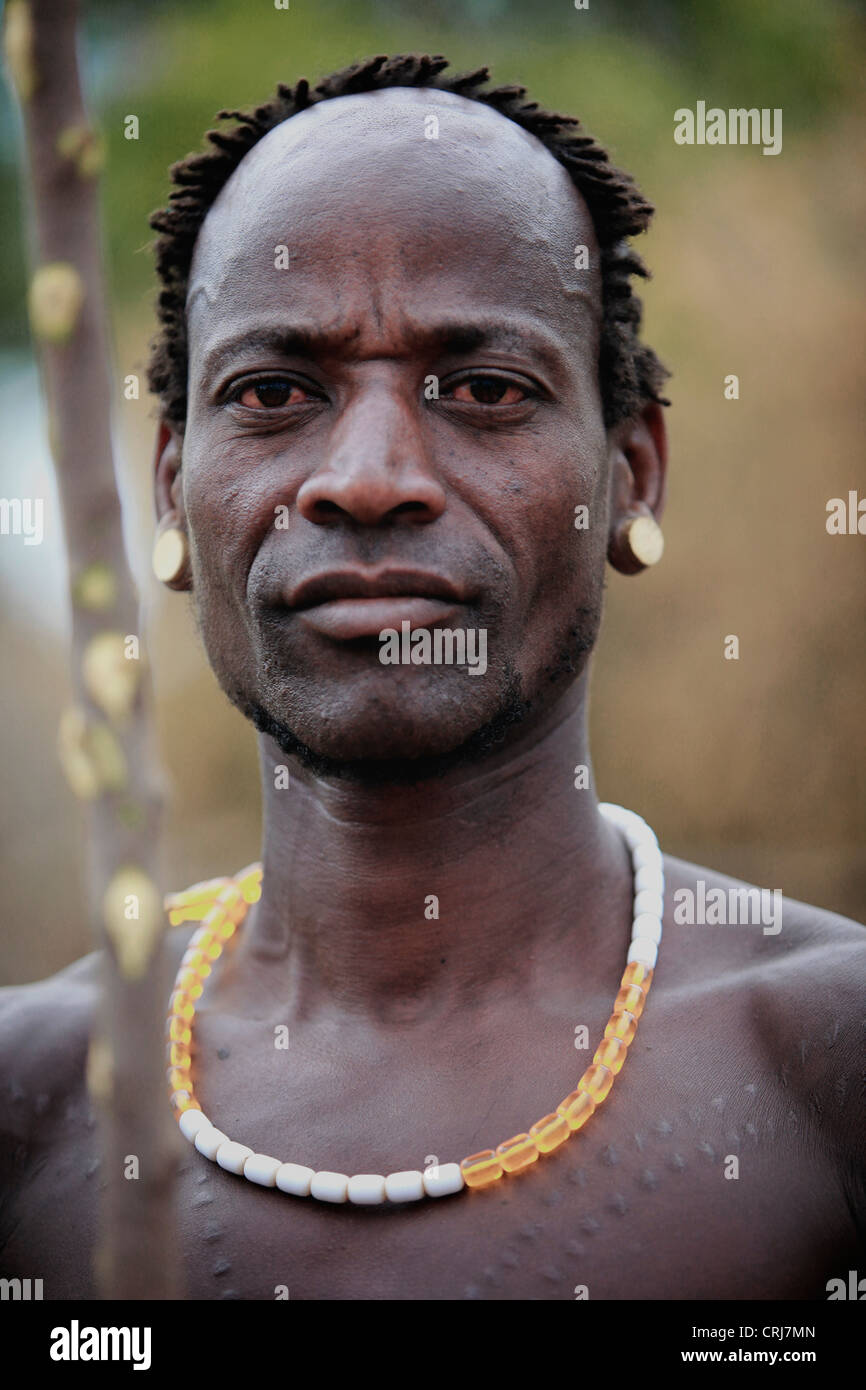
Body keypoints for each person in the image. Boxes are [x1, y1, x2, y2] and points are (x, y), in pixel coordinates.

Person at [2, 54, 863, 1301]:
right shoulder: (35, 1102)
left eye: (482, 389)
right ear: (168, 492)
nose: (365, 476)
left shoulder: (824, 1066)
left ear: (632, 473)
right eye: (276, 391)